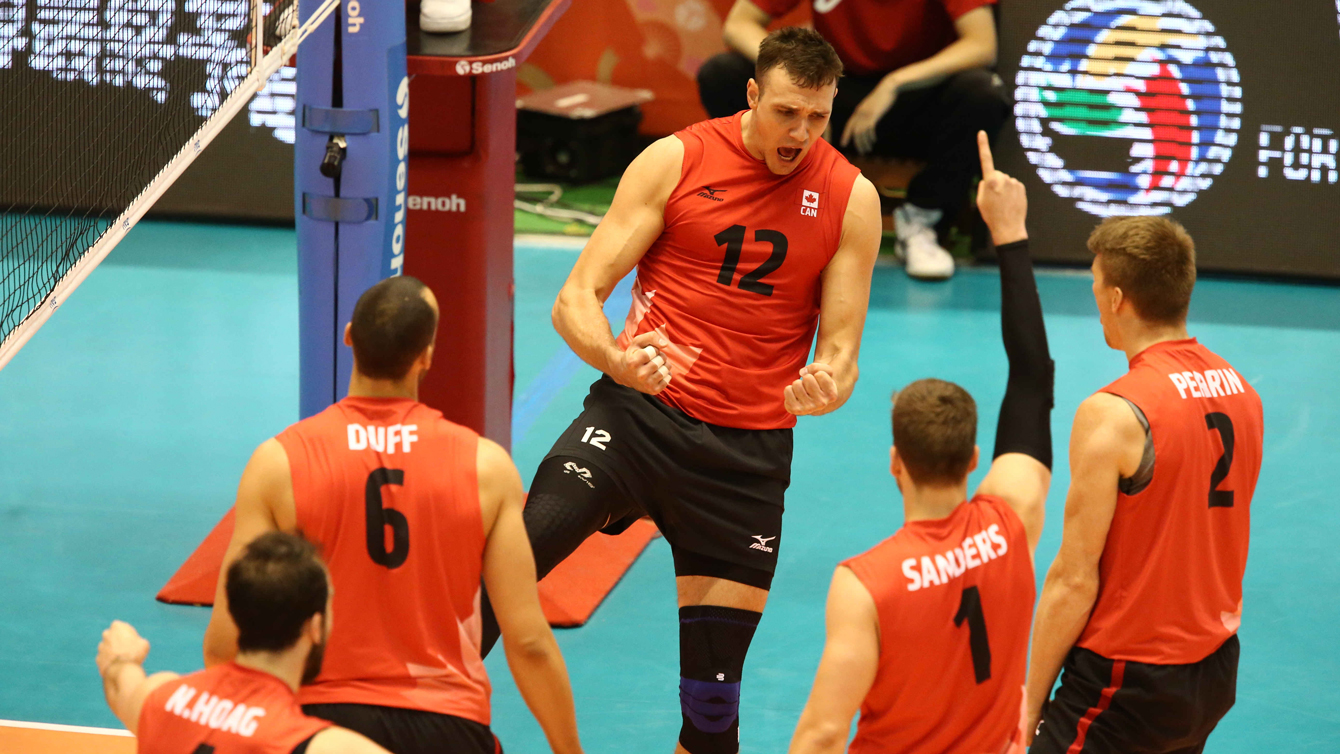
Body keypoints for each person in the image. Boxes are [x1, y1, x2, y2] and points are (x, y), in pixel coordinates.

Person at [477, 26, 881, 754]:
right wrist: (618, 359)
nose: (801, 133)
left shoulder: (852, 200)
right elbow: (575, 298)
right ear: (752, 94)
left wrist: (830, 384)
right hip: (637, 416)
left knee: (712, 715)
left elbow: (843, 352)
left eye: (818, 118)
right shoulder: (677, 159)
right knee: (503, 573)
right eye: (787, 112)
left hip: (744, 459)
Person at [202, 276, 584, 754]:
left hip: (318, 728)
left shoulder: (278, 462)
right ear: (425, 356)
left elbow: (224, 639)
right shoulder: (485, 467)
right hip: (447, 726)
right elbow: (527, 641)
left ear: (348, 338)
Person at [787, 132, 1052, 754]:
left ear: (894, 464)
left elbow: (824, 733)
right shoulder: (1012, 524)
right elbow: (1033, 378)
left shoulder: (865, 583)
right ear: (972, 462)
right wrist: (1008, 233)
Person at [1024, 217, 1264, 753]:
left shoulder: (1113, 413)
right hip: (1212, 669)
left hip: (1128, 677)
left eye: (1093, 286)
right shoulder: (1244, 394)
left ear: (1116, 297)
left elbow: (1073, 579)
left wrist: (1029, 702)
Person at [698, 0, 1008, 280]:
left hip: (913, 99)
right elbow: (739, 23)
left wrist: (895, 83)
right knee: (721, 73)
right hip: (836, 94)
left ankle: (922, 221)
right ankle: (765, 206)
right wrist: (811, 101)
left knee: (982, 95)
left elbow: (982, 44)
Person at [97, 532, 392, 754]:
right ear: (314, 627)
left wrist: (123, 658)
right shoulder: (317, 746)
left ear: (237, 614)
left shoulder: (159, 699)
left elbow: (120, 684)